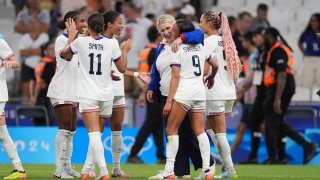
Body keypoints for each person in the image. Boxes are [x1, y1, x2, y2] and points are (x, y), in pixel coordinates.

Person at [80, 10, 149, 179]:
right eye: (119, 22)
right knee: (98, 131)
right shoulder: (106, 43)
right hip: (104, 91)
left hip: (116, 89)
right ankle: (89, 168)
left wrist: (135, 74)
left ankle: (116, 168)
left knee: (117, 128)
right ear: (109, 24)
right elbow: (118, 68)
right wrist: (124, 51)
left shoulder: (112, 42)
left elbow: (116, 70)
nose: (122, 26)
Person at [61, 13, 130, 179]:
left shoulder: (81, 42)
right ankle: (86, 170)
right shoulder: (112, 43)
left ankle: (104, 172)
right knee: (97, 134)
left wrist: (71, 38)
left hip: (88, 94)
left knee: (93, 134)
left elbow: (65, 55)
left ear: (89, 27)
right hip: (107, 94)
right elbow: (122, 68)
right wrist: (125, 51)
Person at [149, 18, 218, 179]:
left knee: (172, 130)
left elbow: (175, 76)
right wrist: (211, 77)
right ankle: (205, 169)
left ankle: (169, 171)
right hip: (199, 93)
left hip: (182, 93)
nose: (169, 32)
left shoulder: (177, 48)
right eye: (165, 30)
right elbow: (215, 65)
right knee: (198, 131)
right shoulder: (200, 47)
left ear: (180, 32)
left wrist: (168, 101)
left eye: (172, 28)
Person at [262, 27, 318, 164]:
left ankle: (274, 158)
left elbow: (281, 74)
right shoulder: (279, 48)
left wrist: (277, 99)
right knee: (276, 122)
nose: (264, 40)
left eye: (265, 37)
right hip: (283, 87)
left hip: (282, 88)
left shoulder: (278, 50)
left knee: (270, 122)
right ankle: (304, 146)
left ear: (270, 37)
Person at [199, 10, 242, 178]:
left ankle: (230, 168)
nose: (200, 24)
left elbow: (206, 68)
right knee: (210, 128)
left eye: (201, 21)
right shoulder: (227, 42)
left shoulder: (208, 42)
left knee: (219, 132)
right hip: (228, 90)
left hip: (214, 90)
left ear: (210, 23)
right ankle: (225, 165)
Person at [47, 11, 86, 178]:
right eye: (81, 21)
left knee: (72, 130)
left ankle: (67, 166)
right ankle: (58, 168)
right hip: (61, 88)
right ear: (70, 23)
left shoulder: (82, 41)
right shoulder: (61, 40)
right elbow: (66, 55)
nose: (85, 24)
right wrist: (71, 36)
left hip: (74, 90)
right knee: (64, 128)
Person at [127, 25, 166, 164]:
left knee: (157, 123)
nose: (165, 35)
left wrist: (142, 91)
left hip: (149, 89)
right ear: (158, 37)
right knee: (150, 123)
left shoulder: (145, 51)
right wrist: (144, 93)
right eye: (163, 33)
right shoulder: (157, 51)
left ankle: (161, 155)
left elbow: (142, 72)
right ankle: (133, 154)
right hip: (154, 90)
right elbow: (151, 73)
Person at [0, 34, 27, 179]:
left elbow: (16, 62)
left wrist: (6, 63)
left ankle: (19, 169)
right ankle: (19, 169)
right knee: (2, 133)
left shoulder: (0, 41)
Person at [231, 32, 258, 156]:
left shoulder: (255, 56)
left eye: (243, 41)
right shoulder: (252, 56)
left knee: (245, 127)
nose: (242, 44)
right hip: (250, 97)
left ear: (248, 41)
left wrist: (240, 92)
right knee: (254, 127)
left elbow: (253, 77)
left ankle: (228, 156)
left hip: (253, 97)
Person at [19, 17, 49, 105]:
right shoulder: (24, 37)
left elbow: (44, 51)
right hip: (27, 66)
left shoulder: (45, 36)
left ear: (39, 24)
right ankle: (24, 114)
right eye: (31, 23)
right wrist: (37, 50)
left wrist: (29, 51)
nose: (33, 25)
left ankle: (40, 111)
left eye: (35, 23)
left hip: (41, 67)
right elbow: (22, 53)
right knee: (25, 92)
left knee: (39, 92)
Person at [31, 41, 56, 126]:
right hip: (46, 97)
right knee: (48, 121)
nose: (53, 51)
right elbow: (39, 82)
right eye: (51, 49)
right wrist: (34, 97)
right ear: (45, 51)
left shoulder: (40, 63)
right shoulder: (50, 64)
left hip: (40, 97)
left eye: (55, 49)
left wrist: (33, 96)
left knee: (39, 122)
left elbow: (32, 81)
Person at [298, 13, 320, 91]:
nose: (313, 23)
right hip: (309, 60)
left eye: (315, 21)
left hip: (319, 60)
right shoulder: (307, 33)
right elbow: (300, 42)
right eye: (311, 21)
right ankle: (307, 100)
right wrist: (304, 51)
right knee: (307, 82)